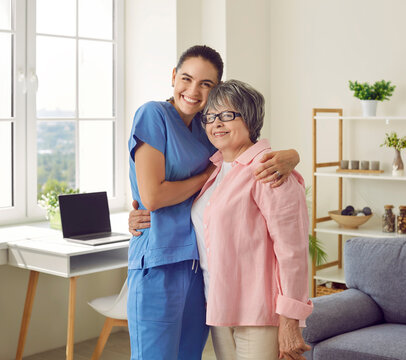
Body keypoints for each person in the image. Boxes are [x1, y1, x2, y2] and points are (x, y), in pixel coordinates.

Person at [127, 45, 300, 360]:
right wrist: (207, 173)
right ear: (173, 77)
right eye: (186, 78)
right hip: (160, 261)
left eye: (206, 84)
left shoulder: (208, 130)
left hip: (199, 271)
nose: (193, 90)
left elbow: (244, 150)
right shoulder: (154, 115)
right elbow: (152, 197)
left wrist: (292, 156)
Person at [194, 79, 313, 360]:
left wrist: (290, 319)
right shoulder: (215, 170)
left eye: (227, 115)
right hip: (220, 303)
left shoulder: (269, 169)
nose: (216, 123)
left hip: (260, 312)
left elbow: (292, 252)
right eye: (210, 117)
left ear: (249, 117)